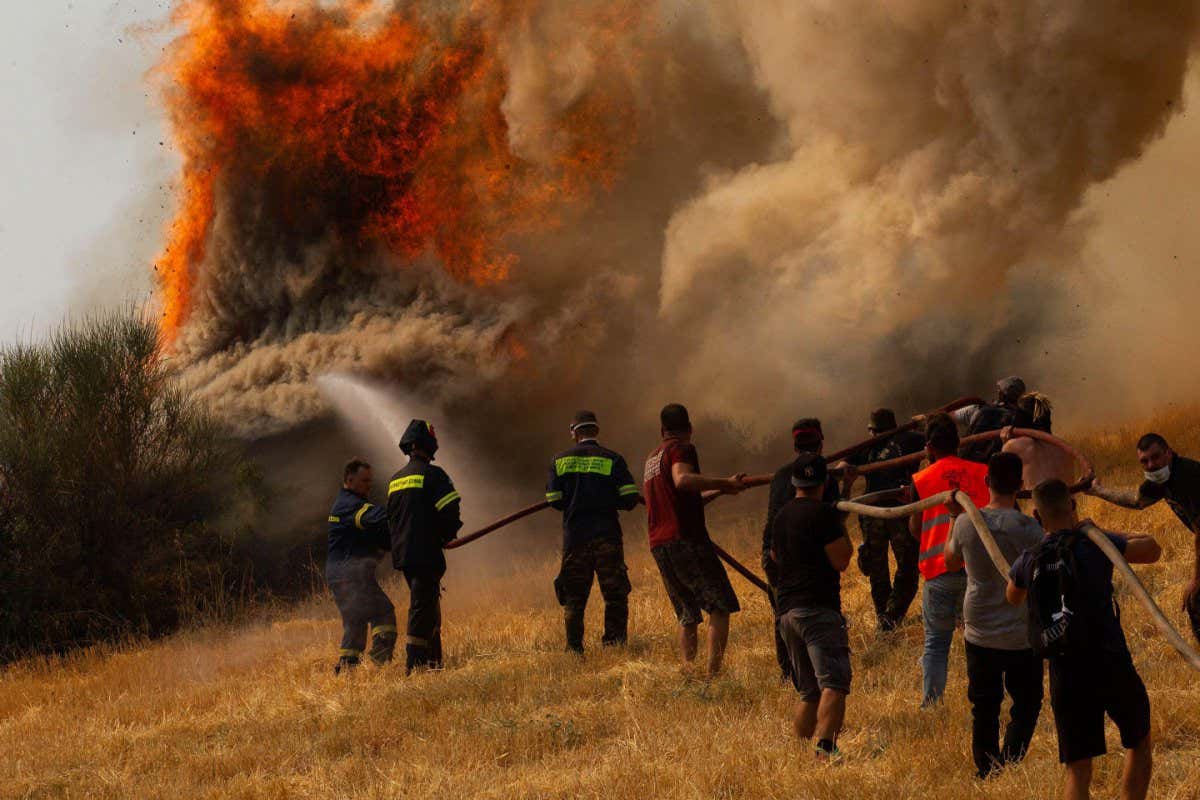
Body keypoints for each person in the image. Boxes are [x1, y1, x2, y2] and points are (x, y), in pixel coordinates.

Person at [1007, 479, 1161, 800]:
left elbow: (1013, 596)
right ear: (1073, 506)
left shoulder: (1030, 558)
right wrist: (1100, 532)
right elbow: (1152, 550)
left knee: (1078, 771)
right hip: (1110, 661)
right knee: (1138, 741)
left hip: (1065, 671)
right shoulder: (1094, 544)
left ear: (1036, 515)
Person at [944, 452, 1044, 779]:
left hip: (979, 629)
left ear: (986, 482)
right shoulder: (1030, 528)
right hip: (1020, 634)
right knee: (1027, 704)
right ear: (1021, 485)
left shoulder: (965, 523)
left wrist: (952, 518)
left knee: (984, 706)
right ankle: (1009, 763)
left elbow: (950, 562)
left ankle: (987, 769)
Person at [643, 403, 746, 678]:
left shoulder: (652, 458)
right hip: (685, 539)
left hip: (659, 544)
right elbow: (683, 481)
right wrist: (724, 482)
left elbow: (678, 498)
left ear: (662, 430)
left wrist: (721, 490)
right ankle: (713, 675)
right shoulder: (681, 448)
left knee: (688, 613)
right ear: (689, 428)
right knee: (720, 605)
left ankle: (689, 670)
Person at [772, 453, 854, 760]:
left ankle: (798, 755)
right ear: (824, 482)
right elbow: (842, 559)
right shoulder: (823, 516)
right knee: (834, 684)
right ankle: (825, 751)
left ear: (795, 482)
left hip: (787, 613)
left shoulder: (782, 516)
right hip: (818, 610)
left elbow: (776, 556)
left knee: (809, 691)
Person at [1087, 432, 1200, 644]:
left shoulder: (1188, 475)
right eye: (1144, 461)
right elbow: (1137, 501)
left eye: (1155, 457)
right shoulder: (1160, 478)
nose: (1151, 465)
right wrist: (1098, 491)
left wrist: (1196, 580)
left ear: (1168, 453)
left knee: (1196, 600)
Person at [910, 412, 990, 706]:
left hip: (938, 572)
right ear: (958, 442)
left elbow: (915, 529)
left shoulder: (920, 479)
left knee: (936, 643)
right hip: (977, 569)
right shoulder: (982, 471)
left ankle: (931, 704)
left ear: (929, 447)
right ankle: (983, 697)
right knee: (980, 639)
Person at [545, 410, 641, 653]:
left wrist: (575, 500)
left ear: (573, 433)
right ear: (596, 431)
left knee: (574, 598)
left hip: (575, 538)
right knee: (615, 593)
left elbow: (553, 499)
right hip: (607, 535)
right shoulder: (613, 459)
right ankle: (614, 645)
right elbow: (630, 498)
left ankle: (574, 649)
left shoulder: (559, 461)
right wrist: (607, 499)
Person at [762, 418, 843, 681]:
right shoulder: (822, 476)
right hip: (806, 552)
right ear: (821, 441)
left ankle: (789, 672)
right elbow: (831, 520)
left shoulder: (780, 475)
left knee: (783, 610)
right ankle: (819, 672)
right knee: (815, 606)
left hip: (773, 550)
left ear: (794, 444)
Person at [387, 419, 463, 674]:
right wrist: (447, 534)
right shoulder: (434, 475)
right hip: (426, 552)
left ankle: (434, 664)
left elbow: (393, 519)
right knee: (422, 607)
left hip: (404, 555)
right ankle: (415, 666)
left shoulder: (395, 480)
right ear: (428, 444)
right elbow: (450, 510)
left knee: (427, 604)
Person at [847, 408, 926, 631]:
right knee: (879, 569)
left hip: (899, 512)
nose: (873, 435)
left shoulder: (906, 440)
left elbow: (938, 442)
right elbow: (844, 465)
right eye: (871, 432)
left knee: (906, 567)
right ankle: (887, 619)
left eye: (874, 431)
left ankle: (890, 617)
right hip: (877, 514)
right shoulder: (867, 447)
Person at [326, 459, 396, 674]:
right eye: (364, 480)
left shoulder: (350, 504)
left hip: (342, 574)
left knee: (355, 624)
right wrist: (403, 511)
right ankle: (377, 666)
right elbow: (376, 518)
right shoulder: (349, 505)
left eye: (370, 481)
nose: (369, 485)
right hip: (351, 575)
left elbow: (380, 536)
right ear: (349, 479)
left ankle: (347, 672)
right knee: (383, 614)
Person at [1000, 393, 1076, 489]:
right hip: (1065, 503)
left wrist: (1005, 442)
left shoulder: (1016, 446)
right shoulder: (1064, 448)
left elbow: (1002, 484)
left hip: (1036, 502)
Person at [959, 376, 1034, 463]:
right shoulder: (1023, 418)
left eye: (1000, 389)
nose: (998, 391)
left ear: (1004, 394)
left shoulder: (983, 411)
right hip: (994, 468)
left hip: (970, 463)